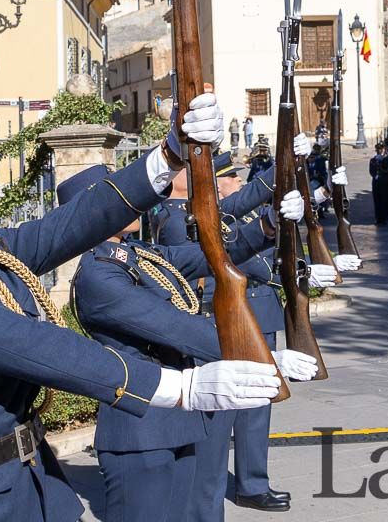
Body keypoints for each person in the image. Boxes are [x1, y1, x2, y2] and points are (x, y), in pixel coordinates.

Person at [0, 100, 282, 522]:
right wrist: (176, 387)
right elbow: (29, 343)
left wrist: (169, 156)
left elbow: (77, 220)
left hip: (29, 483)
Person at [66, 164, 320, 522]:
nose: (129, 201)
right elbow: (174, 327)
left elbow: (211, 257)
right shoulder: (99, 275)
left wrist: (269, 225)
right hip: (141, 432)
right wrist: (265, 356)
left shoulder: (137, 255)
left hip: (178, 422)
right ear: (94, 212)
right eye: (116, 196)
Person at [369, 142, 388, 225]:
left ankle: (383, 218)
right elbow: (371, 171)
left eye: (381, 149)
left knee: (384, 200)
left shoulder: (386, 159)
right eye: (378, 149)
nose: (379, 151)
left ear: (383, 149)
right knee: (377, 200)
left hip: (384, 182)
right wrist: (375, 175)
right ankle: (378, 218)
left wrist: (382, 160)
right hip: (376, 182)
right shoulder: (373, 160)